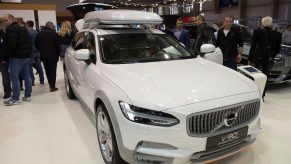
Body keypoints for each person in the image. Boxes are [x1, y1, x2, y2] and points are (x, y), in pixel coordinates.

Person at [2, 14, 32, 105]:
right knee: (27, 77)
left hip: (16, 57)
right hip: (25, 57)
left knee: (14, 78)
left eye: (6, 20)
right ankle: (27, 96)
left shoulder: (12, 30)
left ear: (11, 20)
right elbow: (29, 42)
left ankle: (15, 99)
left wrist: (6, 56)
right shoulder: (22, 28)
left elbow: (11, 44)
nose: (4, 22)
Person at [248, 16, 281, 100]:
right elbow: (278, 49)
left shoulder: (257, 32)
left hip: (257, 57)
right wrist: (272, 55)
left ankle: (254, 95)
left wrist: (250, 58)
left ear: (262, 23)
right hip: (268, 58)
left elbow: (253, 46)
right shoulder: (277, 34)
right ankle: (262, 95)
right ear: (271, 23)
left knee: (255, 75)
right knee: (265, 76)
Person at [36, 21, 61, 92]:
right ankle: (52, 86)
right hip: (53, 55)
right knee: (53, 70)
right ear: (51, 26)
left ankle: (50, 84)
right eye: (53, 26)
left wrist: (41, 50)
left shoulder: (39, 34)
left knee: (47, 70)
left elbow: (36, 44)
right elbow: (58, 45)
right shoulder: (54, 34)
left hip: (43, 55)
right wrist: (58, 53)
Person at [26, 20, 44, 85]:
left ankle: (32, 81)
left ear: (27, 24)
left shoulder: (26, 32)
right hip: (37, 51)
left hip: (30, 51)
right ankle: (42, 80)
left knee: (30, 67)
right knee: (39, 66)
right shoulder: (37, 32)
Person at [0, 18, 12, 99]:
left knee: (5, 76)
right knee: (5, 76)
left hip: (3, 59)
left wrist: (4, 58)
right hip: (3, 59)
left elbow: (6, 47)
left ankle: (7, 92)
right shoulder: (4, 34)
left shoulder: (4, 34)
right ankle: (7, 92)